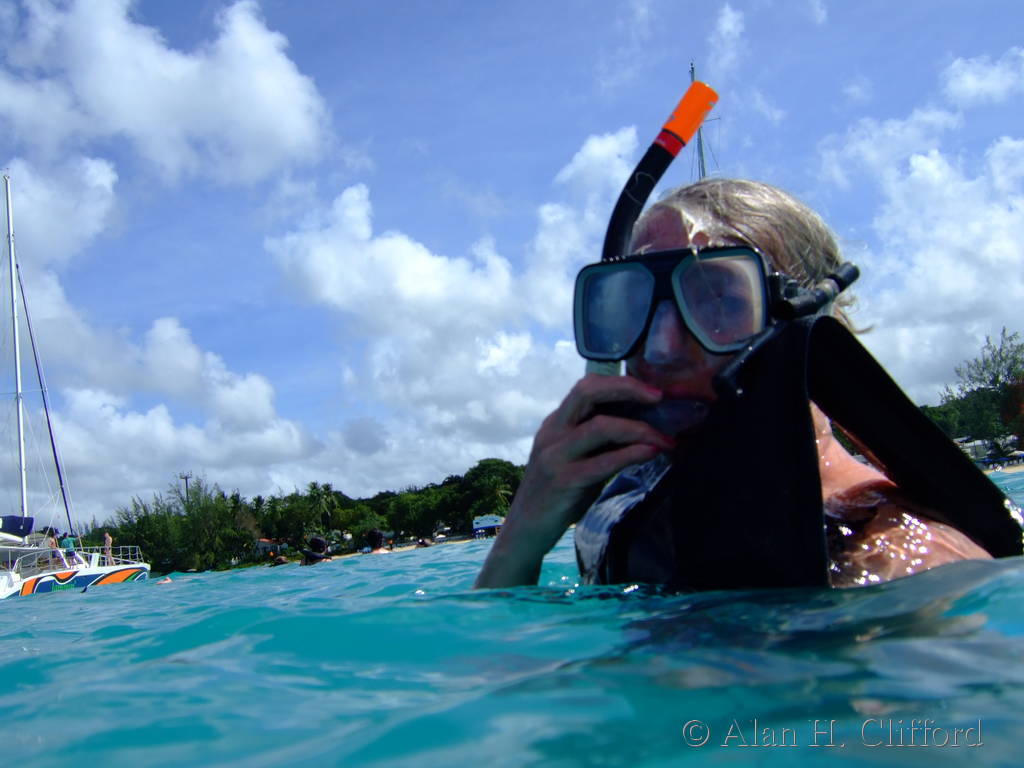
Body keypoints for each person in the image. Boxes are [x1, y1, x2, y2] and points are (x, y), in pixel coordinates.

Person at [476, 178, 1003, 591]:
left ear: (811, 315)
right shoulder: (649, 497)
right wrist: (522, 535)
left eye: (717, 299)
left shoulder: (893, 556)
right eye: (632, 306)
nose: (658, 348)